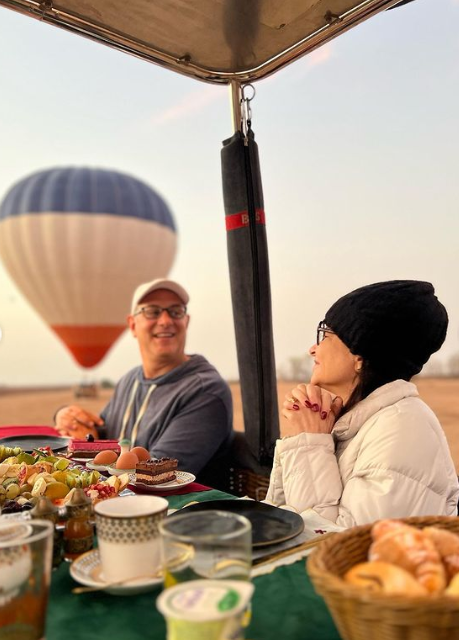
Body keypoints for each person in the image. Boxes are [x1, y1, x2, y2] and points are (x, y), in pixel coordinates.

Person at [265, 280, 459, 527]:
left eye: (325, 335)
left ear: (359, 354)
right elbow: (281, 515)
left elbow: (344, 545)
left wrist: (309, 443)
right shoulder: (355, 419)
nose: (312, 349)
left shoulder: (403, 429)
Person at [54, 278, 233, 477]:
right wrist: (66, 416)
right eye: (152, 311)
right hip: (117, 502)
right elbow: (99, 433)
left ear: (186, 321)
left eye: (175, 311)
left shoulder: (205, 391)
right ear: (132, 325)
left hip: (178, 507)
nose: (165, 321)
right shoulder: (129, 381)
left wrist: (88, 448)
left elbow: (157, 473)